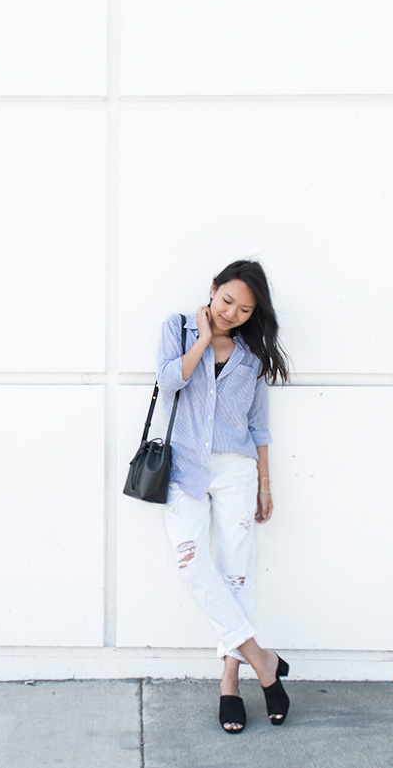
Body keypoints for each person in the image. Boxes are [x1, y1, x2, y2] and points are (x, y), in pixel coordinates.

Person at [154, 259, 291, 733]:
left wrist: (266, 484)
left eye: (245, 309)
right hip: (185, 469)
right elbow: (170, 380)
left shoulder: (252, 359)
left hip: (237, 470)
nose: (233, 313)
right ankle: (262, 658)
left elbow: (258, 426)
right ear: (212, 290)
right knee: (191, 562)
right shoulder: (178, 327)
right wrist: (202, 338)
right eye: (227, 300)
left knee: (237, 570)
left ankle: (231, 678)